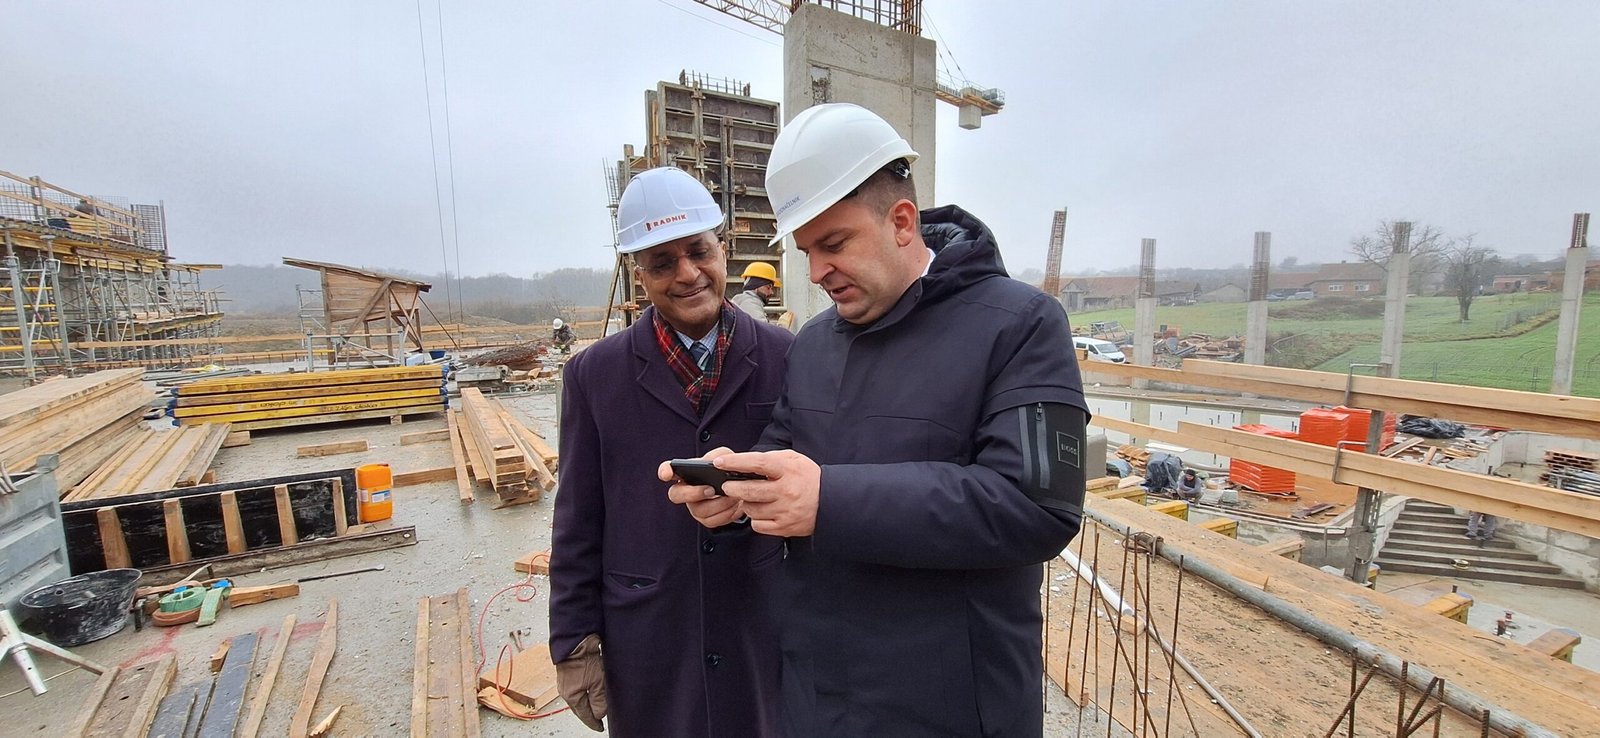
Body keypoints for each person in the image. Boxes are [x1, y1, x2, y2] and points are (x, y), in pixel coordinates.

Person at [666, 103, 1088, 736]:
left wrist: (829, 501)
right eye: (807, 251)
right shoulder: (814, 343)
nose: (817, 272)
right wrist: (737, 490)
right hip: (818, 700)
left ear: (902, 221)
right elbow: (784, 456)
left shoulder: (1021, 325)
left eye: (834, 244)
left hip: (953, 709)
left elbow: (1035, 507)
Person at [549, 167, 792, 736]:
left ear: (722, 249)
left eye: (699, 252)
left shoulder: (786, 356)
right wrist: (573, 638)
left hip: (757, 620)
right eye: (662, 262)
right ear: (640, 274)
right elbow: (578, 518)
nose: (687, 274)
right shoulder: (594, 375)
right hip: (649, 633)